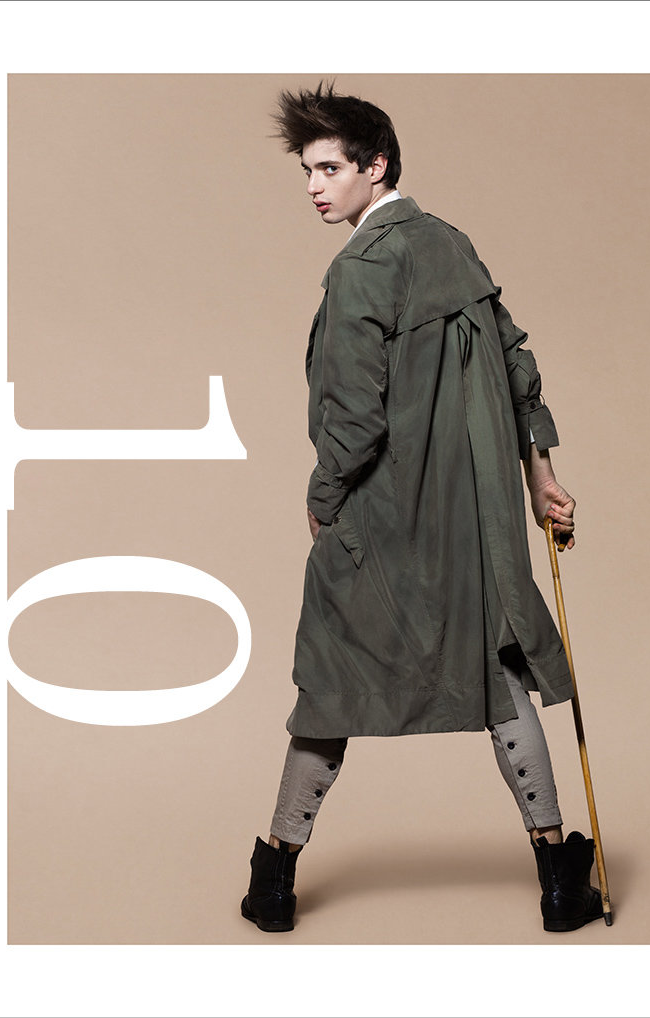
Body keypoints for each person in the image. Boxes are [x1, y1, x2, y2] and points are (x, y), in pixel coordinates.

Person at [240, 82, 603, 935]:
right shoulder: (450, 244)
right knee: (497, 674)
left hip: (381, 521)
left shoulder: (362, 266)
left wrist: (322, 498)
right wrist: (541, 475)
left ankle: (274, 879)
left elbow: (353, 416)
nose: (314, 186)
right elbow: (517, 367)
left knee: (331, 686)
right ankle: (559, 880)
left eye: (330, 168)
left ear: (377, 166)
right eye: (307, 171)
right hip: (469, 525)